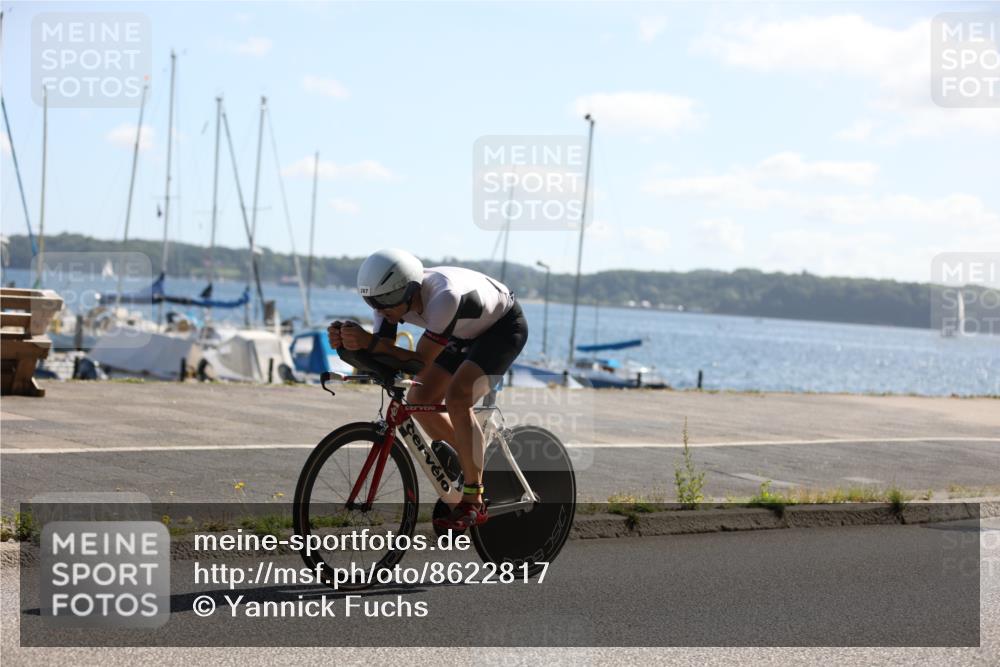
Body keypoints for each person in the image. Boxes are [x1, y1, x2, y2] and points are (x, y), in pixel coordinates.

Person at [327, 248, 528, 530]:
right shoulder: (388, 301)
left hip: (501, 329)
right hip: (460, 332)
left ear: (410, 291)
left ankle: (474, 498)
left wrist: (368, 342)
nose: (380, 310)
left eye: (385, 302)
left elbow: (418, 361)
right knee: (419, 398)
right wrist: (350, 344)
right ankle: (470, 459)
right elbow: (384, 352)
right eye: (372, 302)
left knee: (458, 398)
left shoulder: (444, 297)